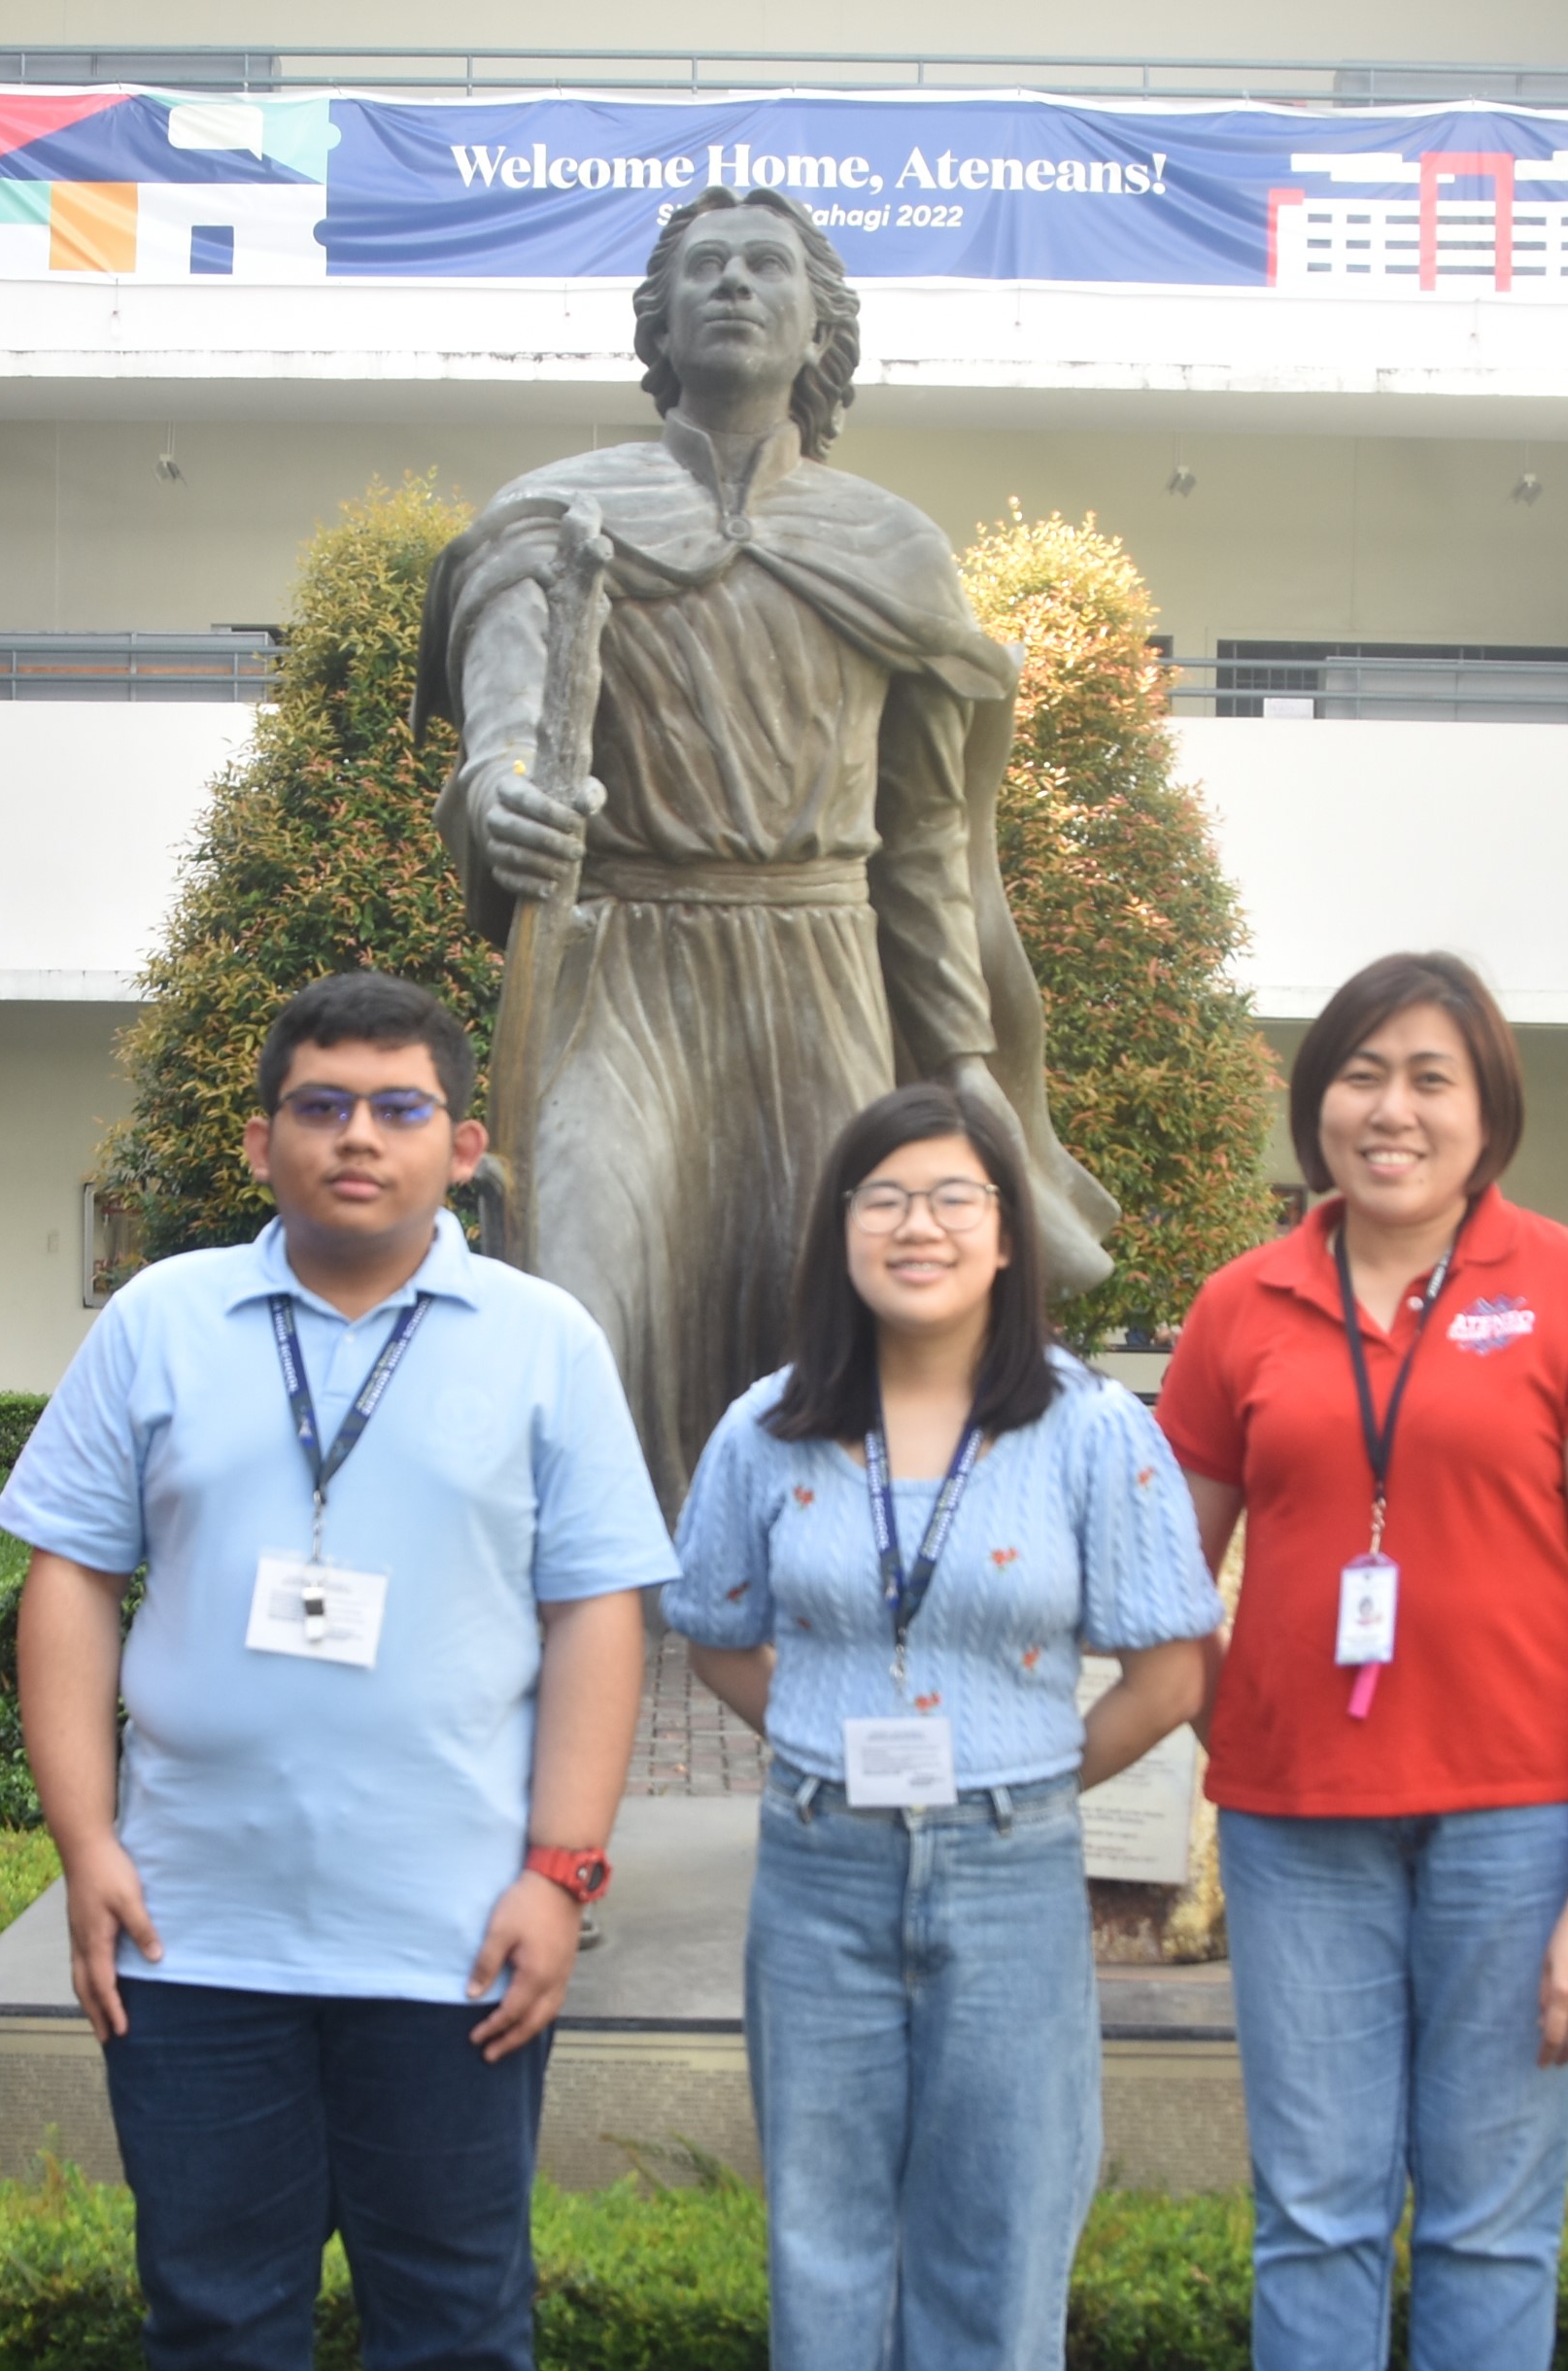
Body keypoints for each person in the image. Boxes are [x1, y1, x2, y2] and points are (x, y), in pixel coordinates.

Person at [0, 972, 673, 2371]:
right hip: (194, 1920)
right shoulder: (159, 1318)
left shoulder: (542, 1339)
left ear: (462, 1142)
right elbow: (65, 1582)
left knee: (453, 2303)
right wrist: (83, 1845)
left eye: (392, 1106)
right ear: (260, 1137)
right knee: (211, 2296)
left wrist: (563, 1869)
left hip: (449, 1929)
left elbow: (598, 1611)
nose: (353, 1134)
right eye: (318, 1104)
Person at [1153, 952, 1568, 2371]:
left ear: (1487, 1111)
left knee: (1484, 2221)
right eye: (1361, 1072)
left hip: (1515, 1824)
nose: (1391, 1107)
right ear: (1313, 1099)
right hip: (1297, 1827)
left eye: (1430, 1078)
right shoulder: (1243, 1305)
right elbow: (1166, 1590)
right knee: (1311, 2212)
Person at [420, 184, 1117, 1511]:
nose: (733, 285)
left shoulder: (889, 549)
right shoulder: (552, 519)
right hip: (614, 960)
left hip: (821, 966)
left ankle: (822, 1605)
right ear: (660, 325)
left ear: (816, 332)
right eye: (705, 270)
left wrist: (960, 1063)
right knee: (576, 1280)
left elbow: (919, 841)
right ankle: (586, 1622)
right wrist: (499, 798)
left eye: (765, 269)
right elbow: (500, 740)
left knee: (845, 1300)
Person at [668, 1082, 1216, 2371]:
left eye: (954, 1197)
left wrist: (1035, 1771)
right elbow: (715, 1629)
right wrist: (843, 1755)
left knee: (994, 2235)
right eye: (883, 1197)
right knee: (827, 2238)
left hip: (1006, 1868)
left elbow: (1171, 1662)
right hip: (822, 1868)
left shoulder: (1092, 1432)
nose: (918, 1225)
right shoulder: (766, 1427)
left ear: (1007, 1235)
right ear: (837, 1233)